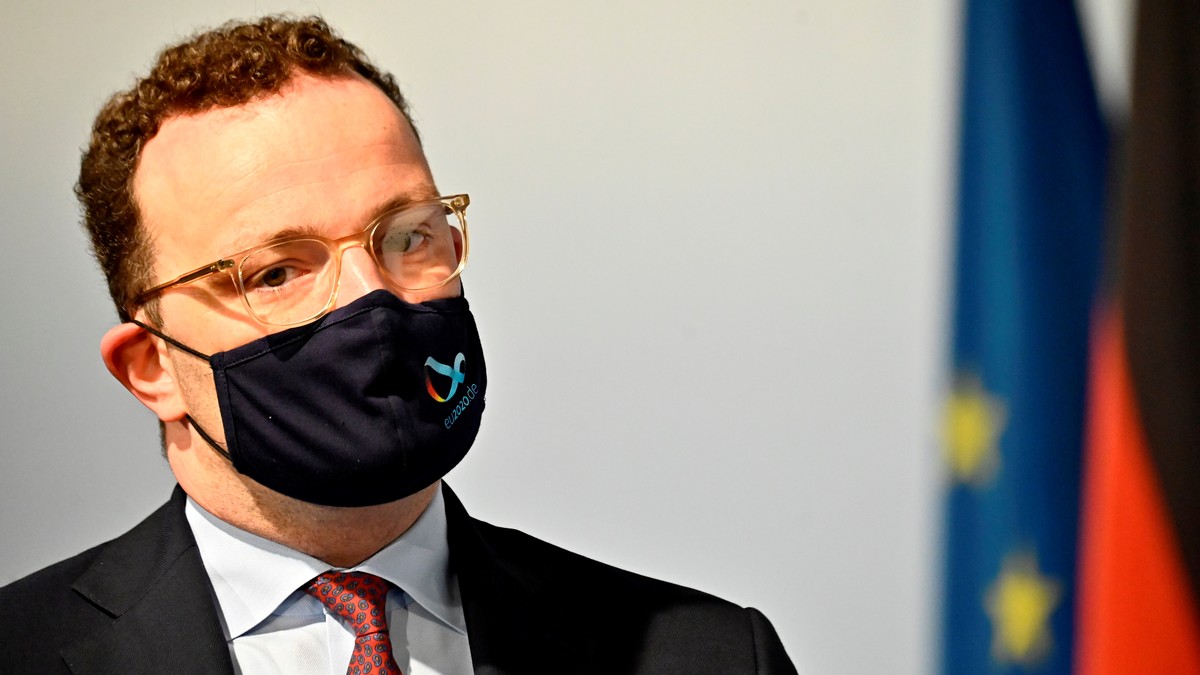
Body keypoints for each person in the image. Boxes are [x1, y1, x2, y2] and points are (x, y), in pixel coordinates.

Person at [0, 15, 796, 674]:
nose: (369, 296)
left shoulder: (707, 654)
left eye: (410, 236)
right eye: (276, 270)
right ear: (150, 367)